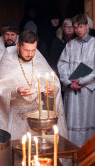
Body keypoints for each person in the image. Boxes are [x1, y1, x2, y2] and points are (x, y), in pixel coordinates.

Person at [0, 30, 68, 141]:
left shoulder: (38, 59)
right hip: (15, 115)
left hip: (37, 117)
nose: (30, 54)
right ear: (18, 45)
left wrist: (50, 91)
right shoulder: (8, 59)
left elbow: (53, 84)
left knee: (37, 151)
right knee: (16, 150)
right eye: (26, 50)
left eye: (33, 50)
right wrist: (16, 90)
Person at [57, 14, 95, 147]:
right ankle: (72, 152)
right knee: (71, 121)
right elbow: (62, 64)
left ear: (87, 27)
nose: (78, 30)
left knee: (88, 121)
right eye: (75, 27)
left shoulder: (94, 44)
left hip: (89, 92)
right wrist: (68, 82)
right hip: (72, 91)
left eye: (81, 26)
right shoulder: (70, 45)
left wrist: (81, 81)